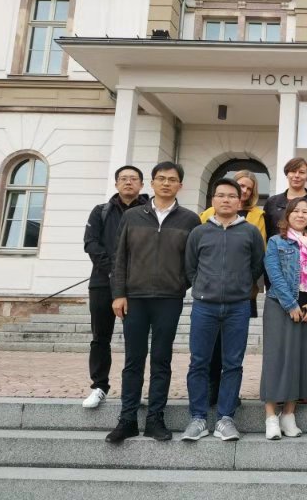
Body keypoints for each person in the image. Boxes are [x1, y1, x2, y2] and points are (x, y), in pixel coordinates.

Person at [106, 162, 201, 443]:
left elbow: (192, 262)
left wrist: (179, 285)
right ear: (152, 182)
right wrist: (118, 293)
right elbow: (120, 257)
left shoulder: (189, 220)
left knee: (161, 359)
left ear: (180, 185)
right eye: (161, 179)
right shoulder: (134, 216)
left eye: (172, 180)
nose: (166, 183)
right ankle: (127, 419)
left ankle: (155, 419)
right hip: (134, 298)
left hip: (168, 299)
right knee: (133, 360)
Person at [182, 178, 265, 442]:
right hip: (204, 306)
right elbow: (190, 267)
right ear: (213, 200)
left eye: (232, 196)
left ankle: (225, 419)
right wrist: (204, 286)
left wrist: (241, 288)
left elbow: (256, 266)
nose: (226, 200)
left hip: (237, 307)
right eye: (221, 195)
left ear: (240, 201)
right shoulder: (199, 232)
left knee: (232, 363)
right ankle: (198, 418)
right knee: (199, 362)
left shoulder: (250, 232)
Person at [82, 165, 147, 409]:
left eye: (133, 179)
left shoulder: (148, 212)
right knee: (100, 337)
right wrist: (113, 272)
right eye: (123, 179)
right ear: (116, 183)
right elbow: (91, 244)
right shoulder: (101, 212)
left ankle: (132, 389)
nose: (128, 182)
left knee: (136, 340)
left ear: (141, 184)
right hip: (102, 283)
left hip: (137, 285)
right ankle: (99, 386)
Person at [199, 170, 266, 407]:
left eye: (248, 187)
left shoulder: (259, 215)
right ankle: (210, 389)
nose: (245, 190)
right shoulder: (208, 215)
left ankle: (229, 394)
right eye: (241, 186)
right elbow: (196, 254)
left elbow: (260, 254)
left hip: (242, 290)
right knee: (211, 346)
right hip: (211, 291)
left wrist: (249, 283)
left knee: (233, 348)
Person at [261, 197, 307, 440]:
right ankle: (270, 416)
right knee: (276, 358)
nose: (300, 215)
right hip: (280, 305)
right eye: (296, 211)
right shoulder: (277, 242)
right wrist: (290, 304)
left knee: (301, 359)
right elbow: (274, 273)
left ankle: (289, 414)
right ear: (287, 215)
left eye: (305, 212)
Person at [264, 157, 307, 254]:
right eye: (293, 171)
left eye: (301, 172)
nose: (297, 175)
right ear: (287, 174)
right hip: (277, 260)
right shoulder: (272, 202)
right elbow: (266, 234)